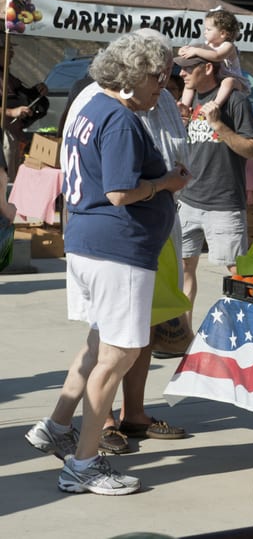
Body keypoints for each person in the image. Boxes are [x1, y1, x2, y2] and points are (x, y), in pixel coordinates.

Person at [24, 32, 191, 495]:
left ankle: (58, 427)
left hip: (89, 243)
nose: (164, 84)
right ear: (132, 75)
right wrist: (165, 185)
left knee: (100, 344)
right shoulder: (118, 118)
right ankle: (83, 465)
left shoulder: (91, 106)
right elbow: (119, 192)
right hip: (118, 249)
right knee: (118, 354)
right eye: (157, 77)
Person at [174, 53, 253, 345]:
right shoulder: (188, 103)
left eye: (188, 68)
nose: (182, 74)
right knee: (184, 268)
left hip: (223, 202)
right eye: (180, 68)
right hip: (188, 199)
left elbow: (251, 149)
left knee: (237, 273)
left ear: (207, 68)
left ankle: (245, 338)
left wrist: (219, 126)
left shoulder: (234, 101)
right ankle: (183, 336)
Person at [177, 8, 249, 114]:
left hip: (234, 81)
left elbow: (217, 56)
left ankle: (216, 104)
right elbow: (192, 50)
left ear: (223, 33)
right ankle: (184, 106)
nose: (205, 32)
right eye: (205, 29)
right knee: (190, 85)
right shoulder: (207, 45)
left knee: (228, 82)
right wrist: (183, 50)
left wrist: (196, 50)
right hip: (215, 79)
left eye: (208, 29)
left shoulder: (228, 46)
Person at [2, 34, 50, 180]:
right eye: (8, 49)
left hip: (14, 134)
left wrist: (38, 90)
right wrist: (11, 112)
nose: (12, 54)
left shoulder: (7, 75)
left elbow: (23, 92)